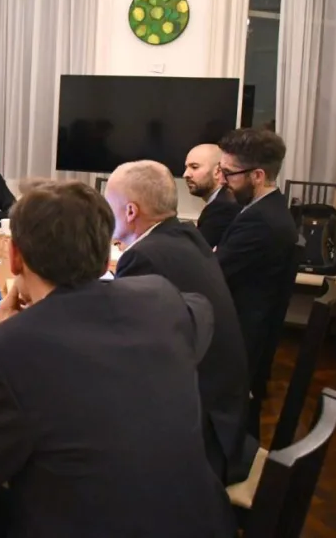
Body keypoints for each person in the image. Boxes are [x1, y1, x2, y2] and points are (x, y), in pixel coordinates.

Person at [0, 180, 234, 538]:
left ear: (15, 257)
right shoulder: (159, 298)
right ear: (103, 247)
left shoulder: (9, 351)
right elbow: (201, 311)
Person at [107, 160, 250, 485]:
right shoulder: (186, 235)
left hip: (203, 439)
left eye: (109, 205)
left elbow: (122, 352)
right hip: (228, 416)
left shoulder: (144, 257)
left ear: (130, 212)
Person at [216, 128, 299, 439]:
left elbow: (215, 273)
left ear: (258, 175)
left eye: (228, 173)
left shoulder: (260, 222)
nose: (222, 180)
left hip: (240, 341)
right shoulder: (267, 211)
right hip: (249, 329)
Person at [183, 143, 241, 248]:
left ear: (218, 171)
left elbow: (197, 253)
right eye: (186, 167)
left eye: (194, 167)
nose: (186, 174)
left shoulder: (222, 207)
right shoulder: (224, 200)